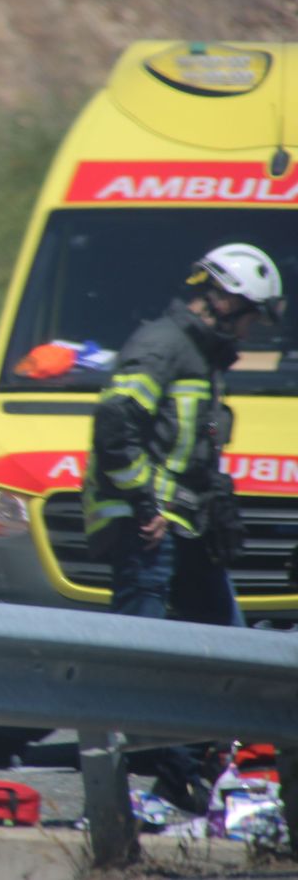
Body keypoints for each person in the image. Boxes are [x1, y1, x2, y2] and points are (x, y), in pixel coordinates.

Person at [83, 242, 285, 814]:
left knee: (231, 652)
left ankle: (189, 784)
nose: (250, 333)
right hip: (147, 532)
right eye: (249, 318)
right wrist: (145, 504)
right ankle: (142, 794)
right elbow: (116, 420)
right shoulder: (162, 347)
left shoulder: (202, 358)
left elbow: (185, 446)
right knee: (150, 668)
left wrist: (214, 504)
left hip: (182, 529)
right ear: (222, 300)